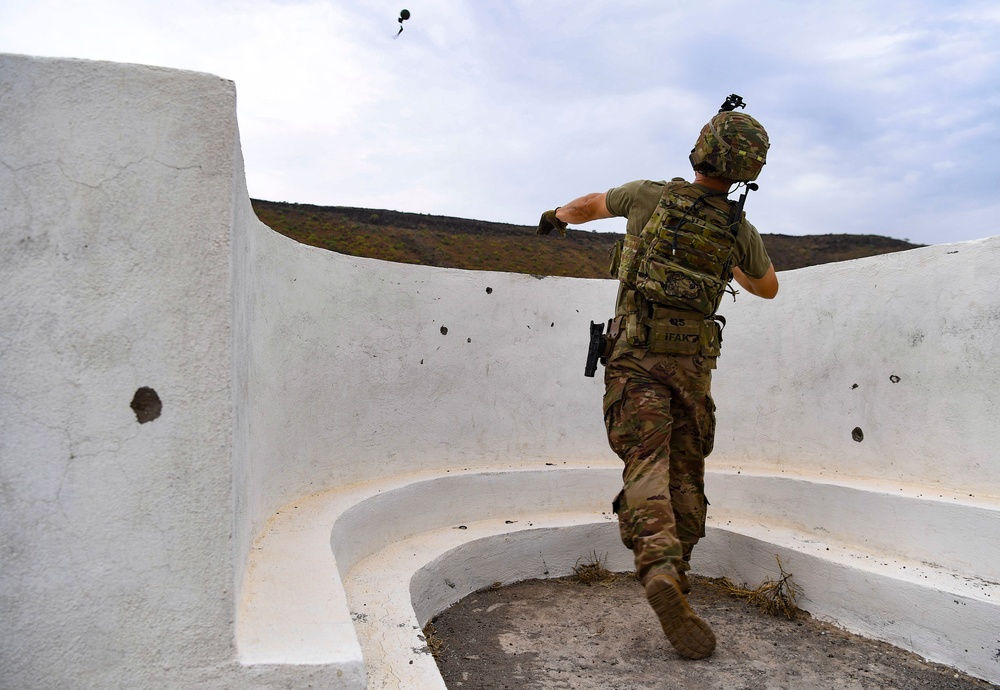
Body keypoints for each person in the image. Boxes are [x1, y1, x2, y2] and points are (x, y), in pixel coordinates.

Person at [536, 99, 778, 660]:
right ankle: (681, 573)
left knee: (647, 459)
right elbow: (767, 287)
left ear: (701, 148)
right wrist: (728, 259)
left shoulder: (649, 196)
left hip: (634, 357)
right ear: (747, 169)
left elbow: (587, 205)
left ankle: (659, 568)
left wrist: (554, 217)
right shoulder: (739, 227)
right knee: (687, 468)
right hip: (692, 370)